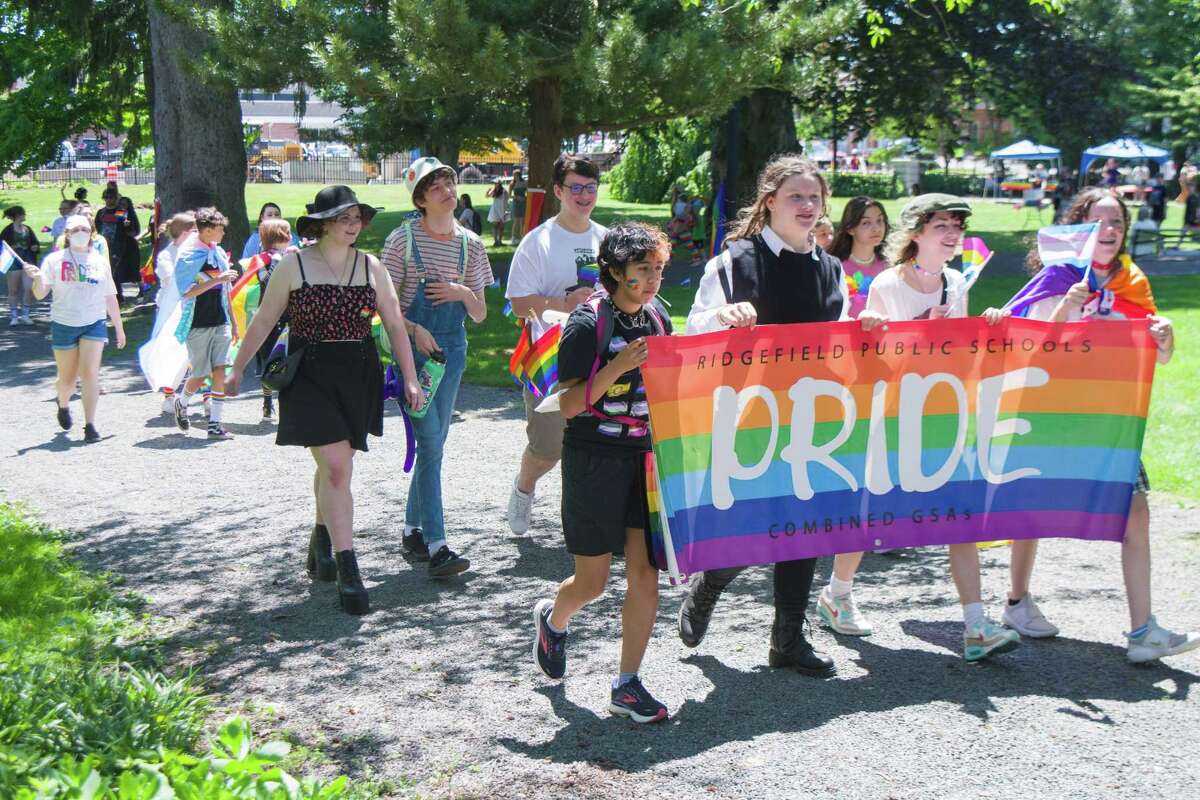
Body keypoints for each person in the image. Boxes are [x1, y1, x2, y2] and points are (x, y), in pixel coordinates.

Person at [677, 154, 885, 677]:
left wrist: (865, 328)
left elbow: (838, 338)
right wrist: (720, 317)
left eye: (814, 198)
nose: (808, 206)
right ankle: (709, 585)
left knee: (807, 528)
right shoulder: (735, 261)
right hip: (749, 417)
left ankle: (787, 640)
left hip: (815, 417)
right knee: (749, 528)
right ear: (770, 202)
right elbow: (690, 331)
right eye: (796, 196)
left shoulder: (831, 267)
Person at [817, 194, 1020, 663]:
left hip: (942, 413)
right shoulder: (888, 283)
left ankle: (975, 626)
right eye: (940, 226)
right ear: (916, 234)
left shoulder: (956, 281)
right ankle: (837, 594)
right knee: (871, 514)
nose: (951, 235)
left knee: (961, 516)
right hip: (893, 414)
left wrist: (983, 326)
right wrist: (918, 327)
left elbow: (959, 357)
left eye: (956, 227)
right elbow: (879, 362)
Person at [1002, 187, 1199, 663]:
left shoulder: (1133, 280)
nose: (1109, 231)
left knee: (1136, 513)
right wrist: (1067, 305)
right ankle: (1017, 602)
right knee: (1031, 509)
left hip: (1108, 418)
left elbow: (1156, 355)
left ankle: (1142, 630)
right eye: (1100, 221)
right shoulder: (1056, 277)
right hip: (1049, 412)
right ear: (1081, 226)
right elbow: (1028, 345)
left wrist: (1166, 338)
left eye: (1117, 222)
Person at [228, 185, 424, 615]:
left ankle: (321, 540)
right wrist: (238, 368)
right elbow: (263, 321)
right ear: (321, 223)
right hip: (310, 372)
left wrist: (410, 377)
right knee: (336, 467)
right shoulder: (293, 265)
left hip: (358, 372)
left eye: (357, 217)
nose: (353, 224)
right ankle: (348, 568)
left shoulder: (371, 266)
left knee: (335, 466)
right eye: (344, 217)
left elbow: (393, 325)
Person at [532, 221, 672, 723]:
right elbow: (568, 405)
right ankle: (554, 619)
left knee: (645, 575)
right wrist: (617, 368)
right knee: (592, 583)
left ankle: (627, 684)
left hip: (643, 461)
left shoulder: (658, 318)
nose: (653, 279)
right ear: (614, 272)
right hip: (593, 460)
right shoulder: (587, 324)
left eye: (658, 268)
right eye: (642, 270)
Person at [381, 157, 492, 578]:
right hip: (414, 354)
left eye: (449, 181)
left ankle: (412, 529)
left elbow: (480, 314)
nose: (447, 189)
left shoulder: (471, 244)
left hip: (455, 353)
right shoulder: (401, 241)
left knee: (435, 445)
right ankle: (438, 545)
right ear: (421, 199)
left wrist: (463, 291)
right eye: (436, 186)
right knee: (430, 444)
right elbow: (383, 307)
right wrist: (414, 331)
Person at [504, 155, 607, 535]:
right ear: (559, 191)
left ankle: (585, 525)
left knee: (596, 443)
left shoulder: (606, 239)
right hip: (551, 359)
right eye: (576, 188)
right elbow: (517, 302)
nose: (584, 195)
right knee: (548, 447)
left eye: (590, 187)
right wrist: (562, 305)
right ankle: (523, 487)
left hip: (597, 356)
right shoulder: (538, 242)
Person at [25, 214, 126, 443]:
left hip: (94, 322)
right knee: (68, 379)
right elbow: (40, 294)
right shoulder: (54, 260)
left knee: (90, 373)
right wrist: (38, 278)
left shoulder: (99, 260)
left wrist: (119, 328)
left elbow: (110, 296)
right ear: (67, 235)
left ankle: (90, 425)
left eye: (85, 229)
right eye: (75, 230)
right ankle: (63, 404)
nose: (80, 233)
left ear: (91, 232)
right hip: (64, 322)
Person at [170, 208, 238, 440]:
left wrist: (234, 322)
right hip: (198, 323)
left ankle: (215, 424)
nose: (222, 234)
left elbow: (225, 291)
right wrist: (217, 279)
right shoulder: (189, 256)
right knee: (200, 373)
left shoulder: (217, 253)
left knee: (220, 369)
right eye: (220, 230)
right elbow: (186, 292)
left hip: (221, 321)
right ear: (207, 230)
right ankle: (182, 401)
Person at [244, 217, 297, 421]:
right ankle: (267, 401)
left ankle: (286, 404)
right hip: (270, 318)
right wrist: (283, 259)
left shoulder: (289, 256)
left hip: (290, 316)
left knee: (290, 359)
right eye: (287, 233)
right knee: (271, 362)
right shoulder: (263, 260)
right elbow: (267, 280)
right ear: (280, 236)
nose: (291, 237)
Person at [152, 212, 196, 415]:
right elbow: (172, 280)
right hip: (171, 312)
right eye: (194, 231)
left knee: (195, 354)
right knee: (172, 353)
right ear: (185, 233)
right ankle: (169, 395)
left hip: (194, 308)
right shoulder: (166, 256)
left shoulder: (197, 252)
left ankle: (199, 394)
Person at [827, 195, 890, 319]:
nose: (876, 228)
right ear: (850, 229)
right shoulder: (834, 268)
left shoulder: (890, 267)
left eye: (880, 221)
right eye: (866, 223)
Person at [94, 185, 140, 303]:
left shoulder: (120, 211)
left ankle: (118, 296)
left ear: (116, 198)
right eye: (106, 197)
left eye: (111, 197)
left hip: (117, 245)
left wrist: (127, 225)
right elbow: (97, 227)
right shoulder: (101, 212)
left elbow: (127, 228)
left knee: (114, 271)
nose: (109, 200)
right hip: (103, 244)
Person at [2, 207, 40, 325]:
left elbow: (35, 243)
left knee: (28, 288)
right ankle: (14, 317)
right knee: (13, 290)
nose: (25, 215)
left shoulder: (27, 229)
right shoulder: (7, 230)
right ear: (16, 216)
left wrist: (35, 247)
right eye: (22, 213)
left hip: (27, 261)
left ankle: (25, 315)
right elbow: (2, 246)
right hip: (13, 262)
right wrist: (10, 249)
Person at [487, 179, 509, 246]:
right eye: (495, 183)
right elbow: (487, 196)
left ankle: (500, 240)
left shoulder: (504, 191)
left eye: (497, 183)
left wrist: (505, 211)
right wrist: (488, 191)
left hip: (502, 209)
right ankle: (495, 241)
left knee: (501, 226)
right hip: (495, 209)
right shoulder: (494, 191)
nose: (496, 184)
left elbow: (506, 201)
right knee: (495, 225)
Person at [510, 168, 528, 242]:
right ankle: (513, 237)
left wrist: (524, 198)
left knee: (522, 220)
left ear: (519, 175)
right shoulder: (512, 184)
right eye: (514, 175)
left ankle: (521, 237)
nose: (515, 177)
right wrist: (516, 197)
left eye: (516, 175)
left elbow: (528, 193)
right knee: (516, 220)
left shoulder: (524, 183)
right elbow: (509, 195)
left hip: (523, 202)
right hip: (516, 203)